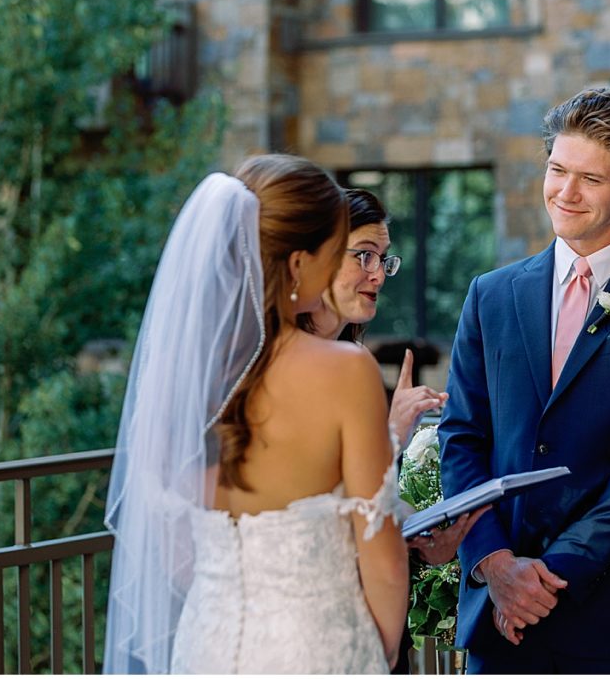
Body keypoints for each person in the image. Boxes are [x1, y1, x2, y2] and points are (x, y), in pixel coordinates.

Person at [439, 87, 610, 674]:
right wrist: (495, 563)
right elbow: (461, 439)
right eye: (556, 170)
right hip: (499, 621)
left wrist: (543, 582)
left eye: (588, 179)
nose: (564, 193)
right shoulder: (491, 295)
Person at [103, 154, 409, 674]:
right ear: (297, 263)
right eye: (334, 251)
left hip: (206, 642)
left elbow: (170, 543)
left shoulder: (184, 375)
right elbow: (381, 556)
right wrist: (375, 651)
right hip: (316, 646)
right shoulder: (345, 370)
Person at [303, 188, 488, 674]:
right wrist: (393, 432)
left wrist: (427, 540)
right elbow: (305, 502)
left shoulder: (354, 360)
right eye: (363, 255)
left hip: (373, 616)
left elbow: (359, 503)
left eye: (384, 259)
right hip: (322, 621)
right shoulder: (292, 369)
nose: (378, 274)